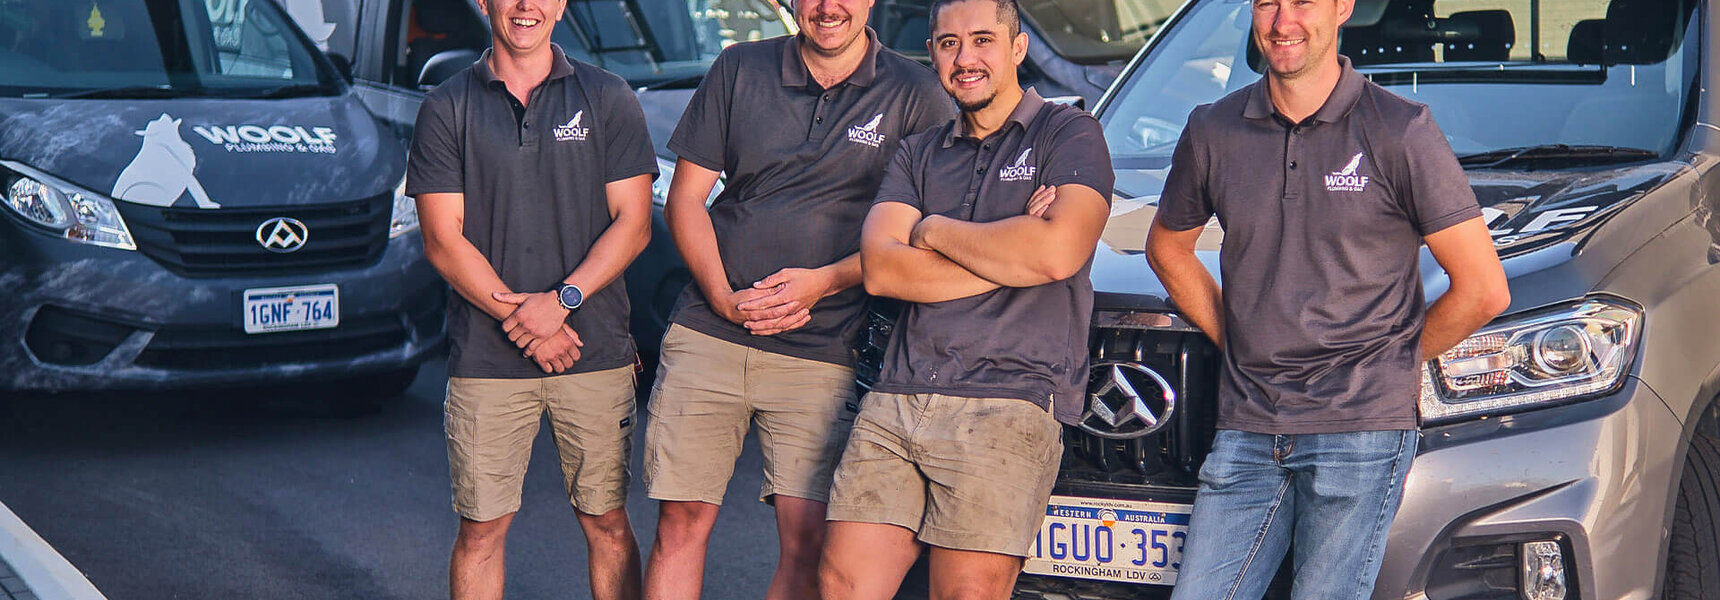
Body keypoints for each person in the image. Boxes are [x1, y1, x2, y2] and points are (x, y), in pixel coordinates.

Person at [1144, 0, 1512, 597]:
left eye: (1302, 2)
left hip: (1359, 431)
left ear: (1343, 8)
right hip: (1248, 425)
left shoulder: (1400, 129)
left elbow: (1483, 289)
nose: (1282, 21)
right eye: (1268, 3)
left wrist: (1388, 364)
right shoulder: (1213, 128)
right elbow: (1167, 248)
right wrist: (1236, 338)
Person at [642, 0, 954, 598]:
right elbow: (685, 200)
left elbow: (923, 234)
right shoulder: (740, 67)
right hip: (711, 331)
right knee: (680, 521)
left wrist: (826, 281)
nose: (828, 7)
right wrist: (723, 297)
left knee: (808, 538)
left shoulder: (916, 93)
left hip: (825, 346)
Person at [817, 0, 1113, 597]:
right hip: (899, 393)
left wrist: (930, 229)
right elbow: (881, 269)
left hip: (1008, 398)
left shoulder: (1069, 133)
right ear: (931, 53)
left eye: (983, 40)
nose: (965, 58)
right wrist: (1012, 250)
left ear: (1018, 48)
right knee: (841, 583)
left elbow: (1057, 255)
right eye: (949, 43)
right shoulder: (918, 151)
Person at [404, 0, 657, 598]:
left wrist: (561, 301)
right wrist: (527, 320)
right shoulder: (446, 106)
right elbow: (443, 240)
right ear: (484, 4)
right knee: (481, 530)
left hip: (593, 351)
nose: (526, 6)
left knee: (607, 522)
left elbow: (635, 223)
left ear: (562, 5)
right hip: (487, 360)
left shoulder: (609, 96)